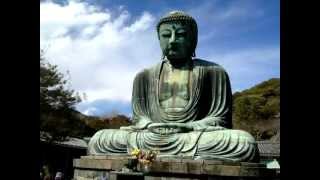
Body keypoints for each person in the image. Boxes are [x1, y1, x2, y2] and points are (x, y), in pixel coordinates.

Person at [88, 11, 259, 162]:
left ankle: (156, 153)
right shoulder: (144, 76)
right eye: (166, 35)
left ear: (193, 40)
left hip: (193, 136)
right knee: (100, 140)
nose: (173, 41)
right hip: (151, 136)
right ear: (159, 39)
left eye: (181, 34)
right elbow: (139, 117)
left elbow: (219, 119)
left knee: (243, 142)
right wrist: (149, 125)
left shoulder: (214, 72)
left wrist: (189, 126)